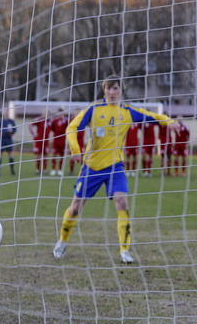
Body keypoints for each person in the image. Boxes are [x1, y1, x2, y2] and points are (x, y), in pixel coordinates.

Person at [53, 74, 178, 264]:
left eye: (116, 88)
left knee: (122, 202)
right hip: (91, 167)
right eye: (109, 88)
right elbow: (72, 127)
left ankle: (125, 250)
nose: (112, 92)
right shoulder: (94, 109)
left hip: (115, 166)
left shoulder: (127, 111)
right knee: (76, 207)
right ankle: (62, 242)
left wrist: (169, 121)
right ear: (104, 90)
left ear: (121, 91)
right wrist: (75, 149)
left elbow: (152, 116)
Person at [48, 108, 68, 176]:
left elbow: (69, 128)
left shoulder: (66, 121)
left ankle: (60, 169)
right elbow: (52, 129)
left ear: (63, 114)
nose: (60, 115)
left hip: (63, 141)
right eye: (59, 113)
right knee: (54, 155)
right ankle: (53, 169)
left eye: (61, 113)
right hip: (56, 141)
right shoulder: (54, 121)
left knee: (62, 156)